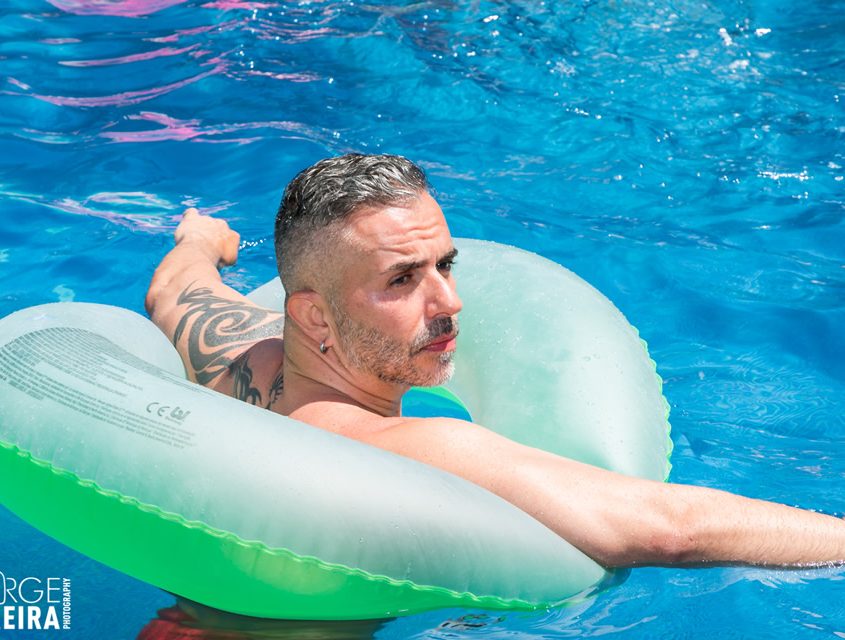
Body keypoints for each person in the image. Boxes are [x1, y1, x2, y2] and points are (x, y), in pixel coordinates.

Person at [145, 153, 845, 569]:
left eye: (444, 265)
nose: (449, 301)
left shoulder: (238, 355)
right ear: (315, 318)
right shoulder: (392, 445)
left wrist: (200, 241)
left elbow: (175, 291)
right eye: (402, 280)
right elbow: (671, 531)